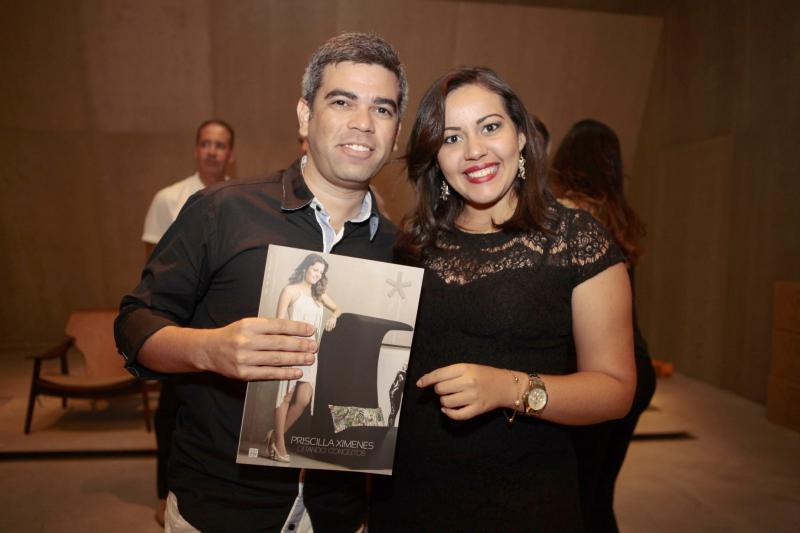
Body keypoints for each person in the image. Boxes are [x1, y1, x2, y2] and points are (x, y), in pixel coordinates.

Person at [115, 32, 407, 532]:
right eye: (342, 101)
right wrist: (209, 350)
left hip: (337, 514)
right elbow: (133, 324)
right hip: (221, 508)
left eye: (382, 109)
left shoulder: (400, 252)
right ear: (305, 115)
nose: (363, 122)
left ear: (396, 132)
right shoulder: (223, 210)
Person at [369, 67, 636, 532]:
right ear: (435, 158)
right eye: (452, 138)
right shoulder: (412, 245)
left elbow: (615, 390)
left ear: (521, 136)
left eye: (490, 127)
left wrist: (507, 388)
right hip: (409, 500)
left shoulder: (575, 240)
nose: (474, 150)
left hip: (522, 502)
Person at [549, 118, 657, 533]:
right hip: (636, 367)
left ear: (565, 161)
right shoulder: (617, 216)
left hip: (593, 373)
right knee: (599, 493)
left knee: (578, 498)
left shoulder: (568, 218)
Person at [140, 118, 235, 527]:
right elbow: (153, 266)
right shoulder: (168, 198)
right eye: (205, 143)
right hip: (180, 323)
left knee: (216, 410)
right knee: (171, 410)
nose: (212, 151)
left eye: (220, 145)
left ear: (231, 153)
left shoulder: (240, 199)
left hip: (222, 321)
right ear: (196, 149)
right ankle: (166, 493)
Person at [268, 254, 341, 463]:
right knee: (286, 396)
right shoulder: (290, 291)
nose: (317, 275)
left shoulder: (319, 295)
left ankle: (274, 436)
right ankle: (279, 443)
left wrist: (334, 317)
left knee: (303, 400)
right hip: (292, 349)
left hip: (311, 353)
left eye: (321, 272)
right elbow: (279, 322)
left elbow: (338, 308)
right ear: (305, 267)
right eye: (315, 269)